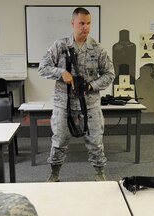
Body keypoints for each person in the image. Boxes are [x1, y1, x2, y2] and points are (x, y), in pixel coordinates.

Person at [39, 7, 115, 182]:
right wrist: (61, 73)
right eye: (82, 23)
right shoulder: (60, 46)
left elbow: (109, 74)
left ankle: (99, 174)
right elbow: (42, 68)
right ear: (73, 23)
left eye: (88, 23)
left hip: (90, 104)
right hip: (63, 103)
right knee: (59, 142)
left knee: (96, 142)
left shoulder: (97, 49)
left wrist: (91, 85)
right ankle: (54, 174)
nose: (85, 27)